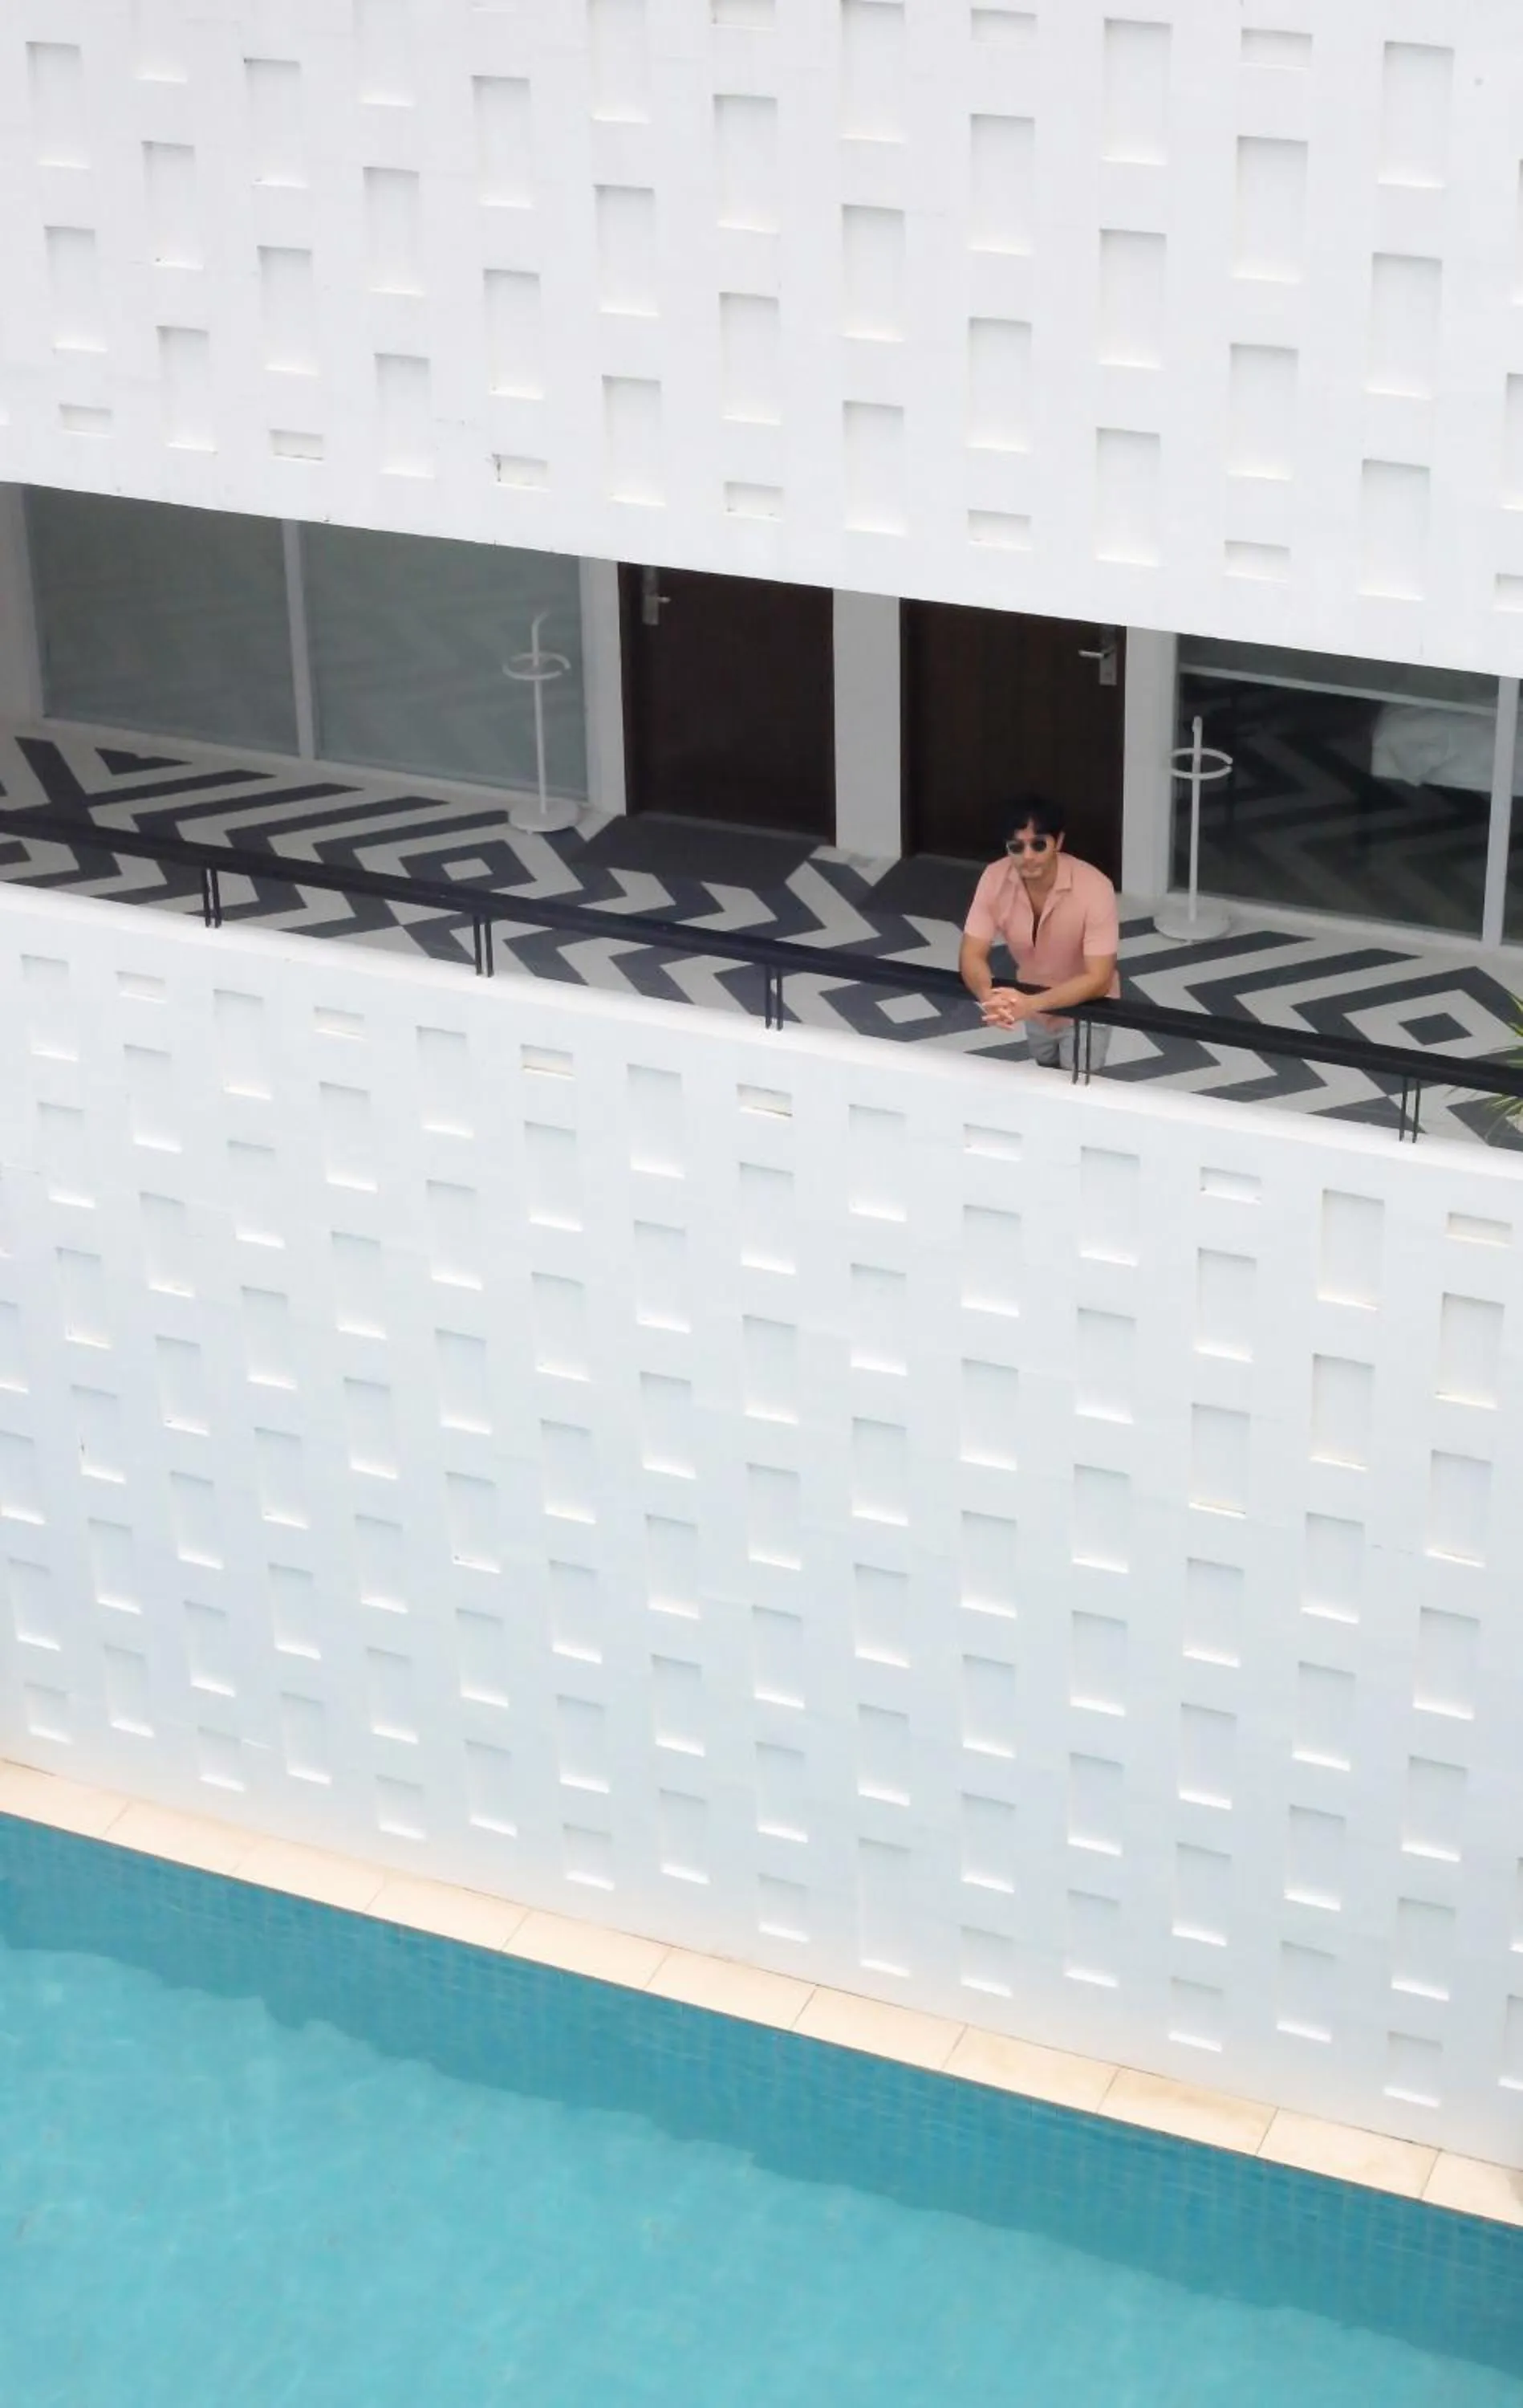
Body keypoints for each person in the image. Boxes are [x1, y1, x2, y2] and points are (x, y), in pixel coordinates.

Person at [958, 796, 1119, 1071]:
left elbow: (1099, 978)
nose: (1028, 856)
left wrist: (1031, 1004)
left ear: (1059, 842)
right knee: (1045, 1074)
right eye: (1016, 847)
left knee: (1079, 1088)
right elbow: (971, 954)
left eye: (1039, 844)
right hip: (1030, 1003)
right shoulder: (994, 878)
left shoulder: (1096, 888)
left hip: (1086, 1009)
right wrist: (991, 998)